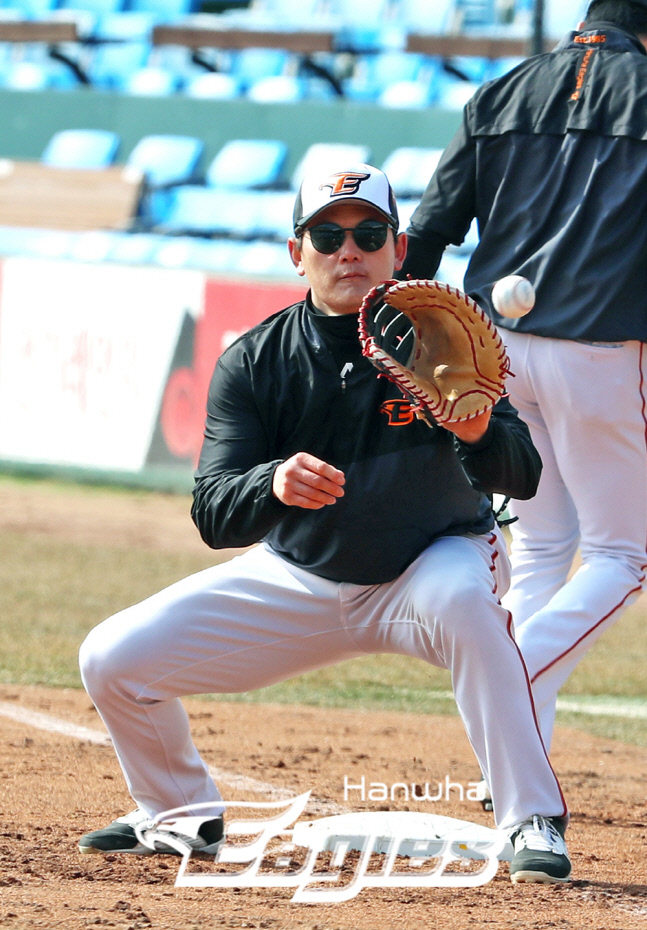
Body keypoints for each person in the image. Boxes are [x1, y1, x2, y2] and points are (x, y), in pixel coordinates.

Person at [78, 163, 571, 883]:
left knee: (466, 604)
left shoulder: (446, 333)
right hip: (299, 577)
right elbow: (213, 511)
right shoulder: (256, 361)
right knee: (110, 659)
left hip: (431, 564)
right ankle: (178, 812)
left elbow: (522, 476)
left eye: (369, 234)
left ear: (398, 250)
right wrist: (271, 482)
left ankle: (530, 817)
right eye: (328, 236)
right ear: (296, 253)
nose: (349, 251)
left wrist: (474, 431)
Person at [398, 0, 647, 755]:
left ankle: (510, 764)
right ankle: (505, 681)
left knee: (542, 550)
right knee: (621, 557)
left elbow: (430, 229)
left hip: (494, 349)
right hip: (598, 350)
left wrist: (405, 339)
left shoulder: (501, 90)